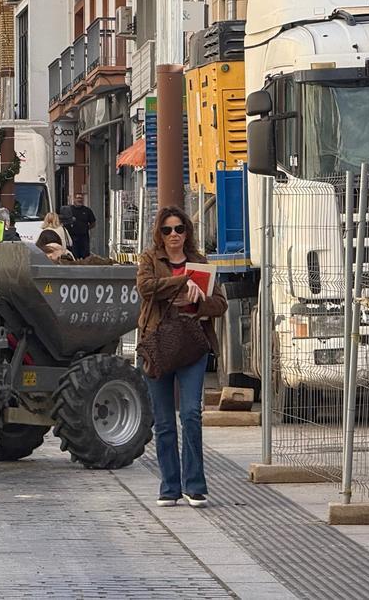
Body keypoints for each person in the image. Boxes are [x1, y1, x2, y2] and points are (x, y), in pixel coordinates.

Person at [135, 205, 227, 509]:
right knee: (163, 421)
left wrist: (198, 302)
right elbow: (145, 288)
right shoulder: (150, 259)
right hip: (159, 344)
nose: (174, 235)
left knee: (190, 414)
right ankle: (170, 487)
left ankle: (195, 486)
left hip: (192, 344)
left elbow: (220, 304)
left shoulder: (201, 263)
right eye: (167, 230)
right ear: (159, 234)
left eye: (179, 229)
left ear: (187, 232)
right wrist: (180, 281)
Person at [67, 193, 97, 259]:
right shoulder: (69, 210)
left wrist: (86, 228)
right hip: (72, 237)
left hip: (84, 238)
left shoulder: (87, 210)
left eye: (81, 198)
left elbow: (93, 223)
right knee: (73, 256)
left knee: (85, 256)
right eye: (78, 198)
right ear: (74, 199)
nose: (79, 200)